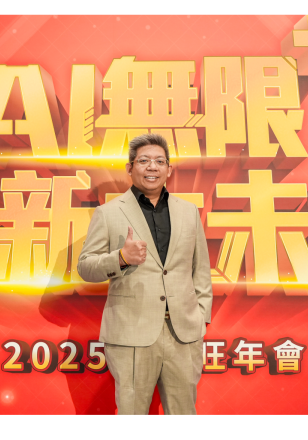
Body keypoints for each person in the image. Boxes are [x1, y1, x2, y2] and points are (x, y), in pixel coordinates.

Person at [77, 132, 212, 415]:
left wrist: (200, 317)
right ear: (130, 168)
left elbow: (200, 270)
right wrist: (121, 258)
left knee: (184, 415)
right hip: (132, 334)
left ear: (169, 169)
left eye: (160, 161)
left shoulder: (188, 212)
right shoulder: (108, 213)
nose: (152, 167)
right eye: (144, 161)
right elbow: (85, 266)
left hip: (183, 333)